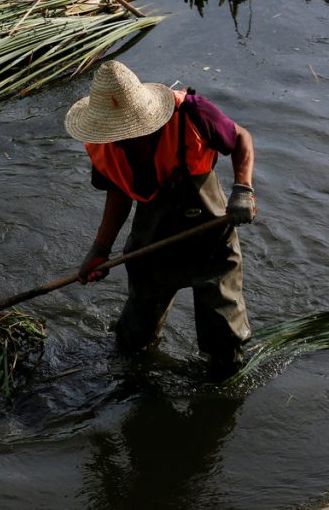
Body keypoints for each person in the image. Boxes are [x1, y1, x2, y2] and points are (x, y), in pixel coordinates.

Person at [64, 61, 257, 378]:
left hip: (209, 235)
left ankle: (220, 381)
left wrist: (243, 189)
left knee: (224, 339)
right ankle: (135, 381)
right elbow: (119, 193)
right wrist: (99, 249)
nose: (123, 138)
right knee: (134, 335)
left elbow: (240, 138)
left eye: (128, 130)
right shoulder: (104, 146)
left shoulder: (192, 114)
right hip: (153, 236)